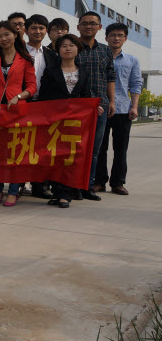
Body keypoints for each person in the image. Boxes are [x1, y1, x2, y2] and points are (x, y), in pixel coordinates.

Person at [0, 21, 37, 206]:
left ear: (15, 35)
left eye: (7, 34)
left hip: (17, 109)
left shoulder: (25, 59)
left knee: (17, 152)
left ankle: (13, 191)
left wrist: (19, 96)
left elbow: (32, 86)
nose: (3, 39)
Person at [38, 34, 91, 208]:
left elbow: (86, 96)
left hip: (74, 122)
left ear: (78, 49)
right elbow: (44, 96)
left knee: (70, 157)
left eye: (71, 45)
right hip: (54, 121)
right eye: (63, 46)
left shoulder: (83, 72)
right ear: (58, 50)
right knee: (54, 157)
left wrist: (94, 108)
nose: (67, 48)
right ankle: (57, 191)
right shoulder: (51, 71)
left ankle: (66, 194)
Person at [94, 22, 141, 195]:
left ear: (125, 39)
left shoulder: (132, 60)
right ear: (106, 38)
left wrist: (134, 106)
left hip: (123, 109)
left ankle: (118, 183)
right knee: (100, 147)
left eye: (120, 35)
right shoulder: (99, 57)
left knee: (121, 148)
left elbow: (136, 83)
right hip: (101, 108)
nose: (116, 38)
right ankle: (99, 181)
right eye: (113, 35)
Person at [76, 11, 116, 201]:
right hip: (77, 107)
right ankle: (73, 185)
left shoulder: (105, 51)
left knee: (94, 150)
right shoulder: (72, 47)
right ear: (78, 27)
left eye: (93, 23)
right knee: (75, 148)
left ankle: (88, 185)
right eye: (85, 23)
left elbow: (110, 76)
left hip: (100, 106)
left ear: (99, 27)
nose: (88, 26)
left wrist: (112, 101)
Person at [24, 13, 58, 200]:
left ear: (47, 31)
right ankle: (17, 184)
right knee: (22, 144)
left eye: (41, 28)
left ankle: (39, 185)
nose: (37, 31)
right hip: (22, 103)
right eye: (34, 28)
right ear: (26, 30)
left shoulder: (52, 55)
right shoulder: (18, 51)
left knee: (41, 148)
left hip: (43, 105)